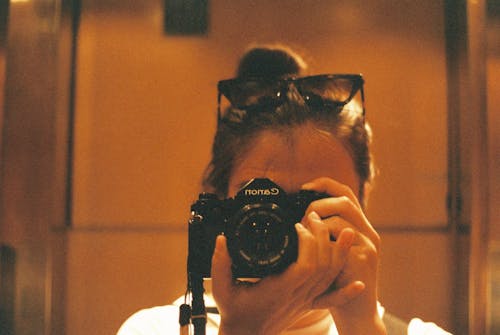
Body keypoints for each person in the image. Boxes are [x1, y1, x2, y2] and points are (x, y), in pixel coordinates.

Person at [117, 44, 452, 335]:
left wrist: (362, 328)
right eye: (263, 204)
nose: (290, 229)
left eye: (314, 206)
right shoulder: (154, 330)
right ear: (219, 205)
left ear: (361, 201)